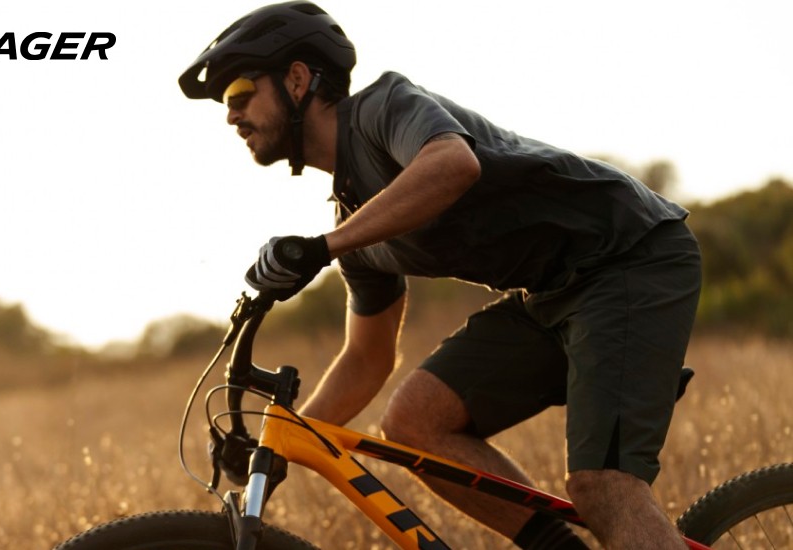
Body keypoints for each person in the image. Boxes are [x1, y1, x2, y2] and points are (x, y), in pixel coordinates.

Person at [179, 3, 702, 549]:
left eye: (239, 93)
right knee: (413, 421)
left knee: (603, 485)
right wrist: (280, 443)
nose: (231, 115)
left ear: (297, 79)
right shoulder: (355, 224)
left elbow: (453, 164)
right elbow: (367, 358)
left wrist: (323, 249)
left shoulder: (383, 106)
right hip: (550, 295)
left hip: (630, 257)